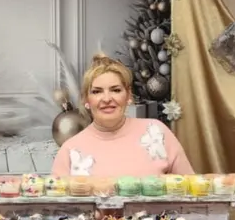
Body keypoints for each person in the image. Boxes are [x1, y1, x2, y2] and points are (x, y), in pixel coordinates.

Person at [51, 53, 194, 177]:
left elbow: (191, 194)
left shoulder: (157, 133)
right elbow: (58, 207)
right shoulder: (69, 151)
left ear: (128, 96)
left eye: (116, 90)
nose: (107, 99)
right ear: (86, 100)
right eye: (97, 91)